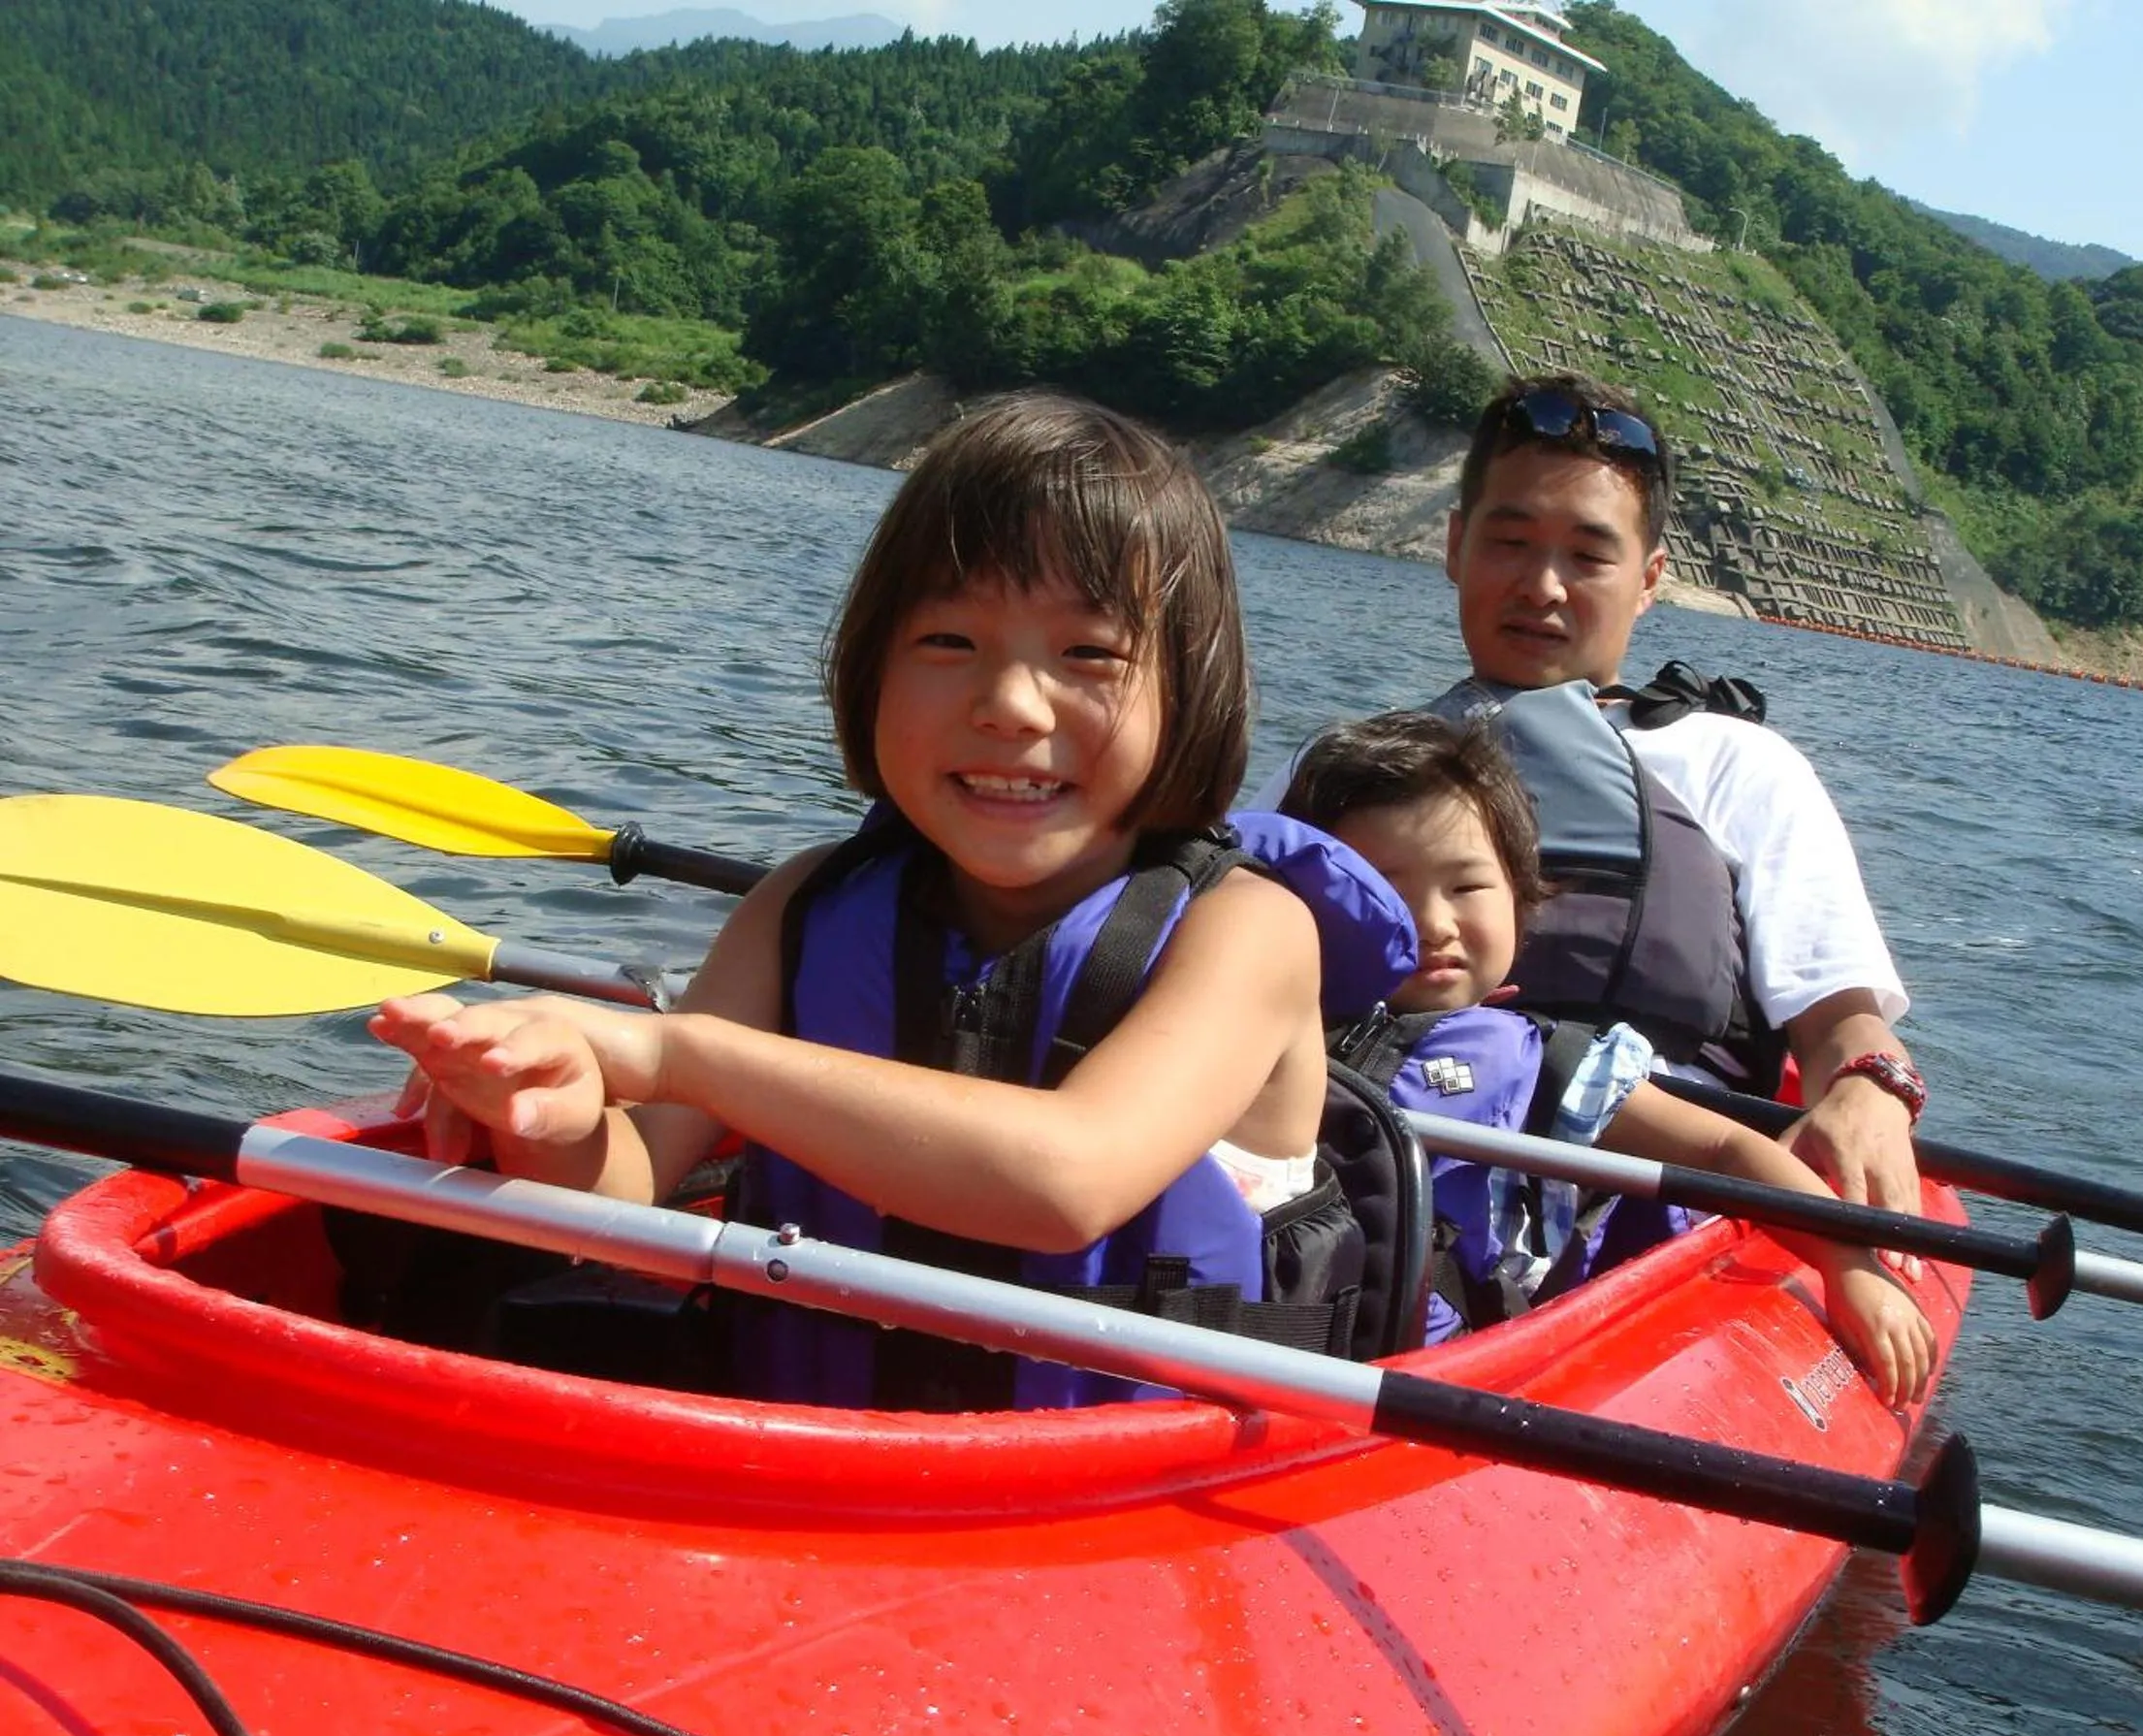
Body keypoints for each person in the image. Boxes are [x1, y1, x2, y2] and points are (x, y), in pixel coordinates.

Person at [368, 393, 1414, 1411]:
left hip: (1122, 1490)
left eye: (1089, 654)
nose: (1009, 706)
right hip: (802, 1457)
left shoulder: (1248, 931)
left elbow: (1070, 1182)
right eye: (949, 643)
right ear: (871, 670)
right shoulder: (804, 904)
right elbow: (628, 1180)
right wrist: (544, 1114)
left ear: (1189, 694)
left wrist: (675, 1053)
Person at [1257, 370, 1927, 1219]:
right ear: (1455, 547)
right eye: (1510, 542)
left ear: (1649, 578)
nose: (1543, 586)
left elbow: (1841, 1024)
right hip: (1371, 1163)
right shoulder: (1351, 766)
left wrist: (1871, 1089)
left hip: (1650, 1200)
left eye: (1588, 556)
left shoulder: (1739, 768)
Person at [1281, 711, 1935, 1404]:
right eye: (1385, 890)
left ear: (1521, 898)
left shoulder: (1543, 1061)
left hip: (1433, 1369)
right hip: (1286, 1335)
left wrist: (1849, 1264)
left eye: (1466, 888)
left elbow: (1723, 1150)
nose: (1433, 923)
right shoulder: (1272, 1015)